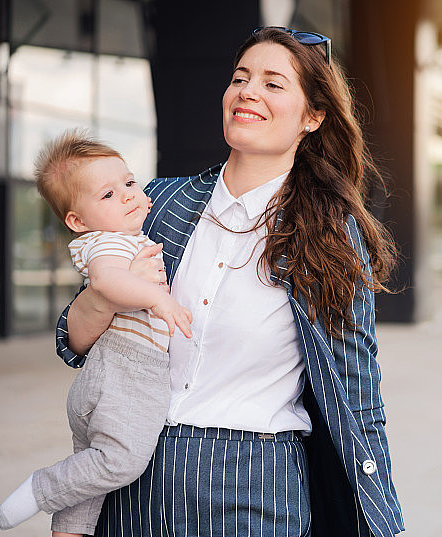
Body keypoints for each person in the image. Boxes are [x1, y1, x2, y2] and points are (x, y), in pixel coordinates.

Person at [55, 27, 404, 537]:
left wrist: (382, 519)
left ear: (313, 116)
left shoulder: (331, 236)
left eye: (273, 83)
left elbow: (357, 390)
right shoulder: (158, 204)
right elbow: (74, 341)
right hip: (134, 474)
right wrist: (104, 292)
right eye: (240, 78)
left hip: (255, 484)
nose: (248, 92)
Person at [0, 130, 193, 536]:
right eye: (107, 195)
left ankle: (67, 531)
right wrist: (161, 301)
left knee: (88, 483)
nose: (126, 195)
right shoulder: (107, 244)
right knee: (120, 460)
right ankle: (41, 488)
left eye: (128, 183)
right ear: (77, 221)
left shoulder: (123, 238)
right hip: (124, 377)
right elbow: (105, 285)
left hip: (108, 380)